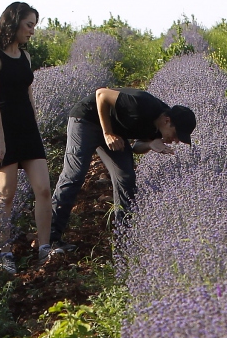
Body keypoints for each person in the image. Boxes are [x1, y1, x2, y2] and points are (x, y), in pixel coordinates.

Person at [49, 87, 196, 250]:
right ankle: (51, 237)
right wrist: (107, 133)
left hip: (114, 132)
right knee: (74, 175)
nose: (175, 140)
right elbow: (101, 94)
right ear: (167, 121)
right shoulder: (142, 104)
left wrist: (150, 145)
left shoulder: (158, 128)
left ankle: (123, 238)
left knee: (126, 177)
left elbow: (136, 147)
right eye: (176, 134)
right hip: (86, 120)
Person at [0, 1, 51, 274]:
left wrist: (35, 126)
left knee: (44, 189)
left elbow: (29, 96)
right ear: (14, 22)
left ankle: (45, 249)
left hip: (27, 130)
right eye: (29, 25)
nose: (32, 31)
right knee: (6, 194)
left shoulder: (26, 57)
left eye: (34, 26)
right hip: (4, 130)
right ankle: (4, 252)